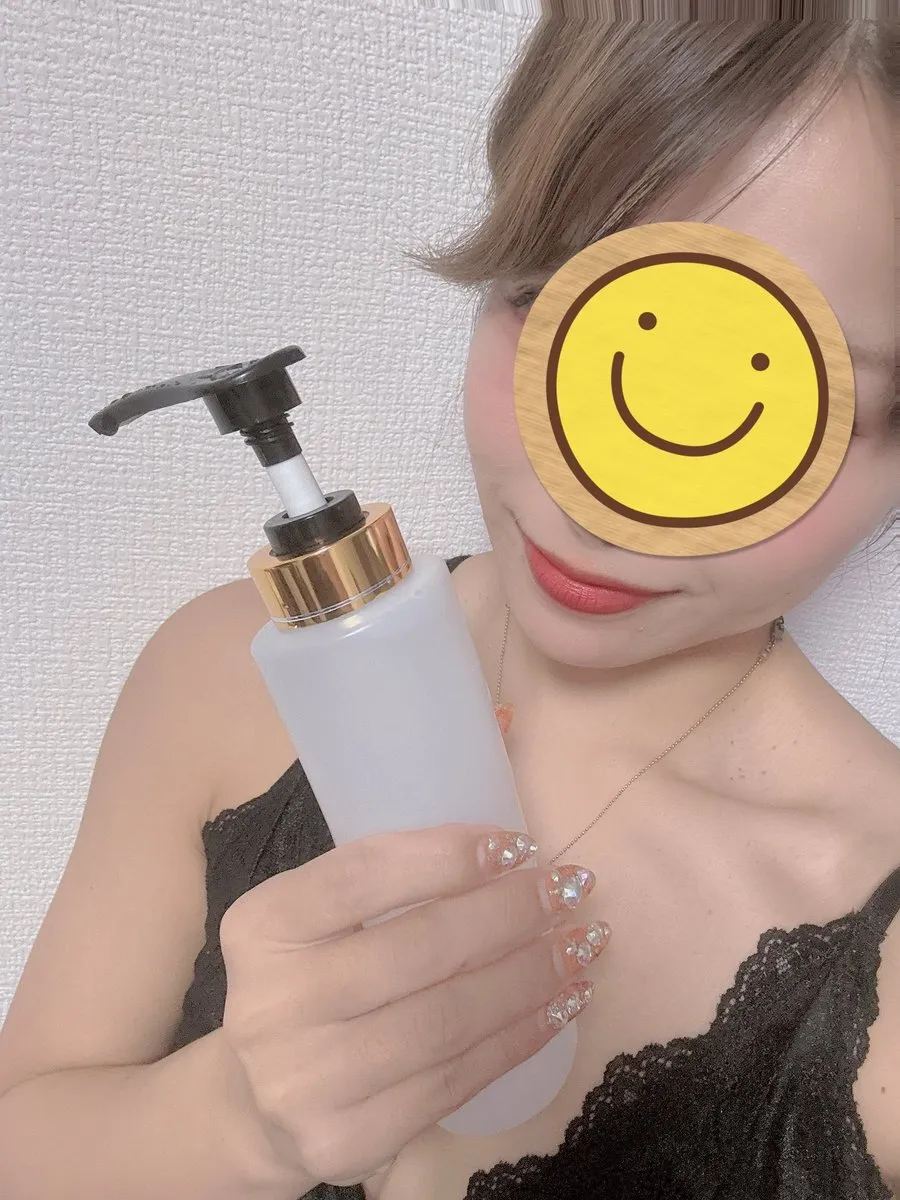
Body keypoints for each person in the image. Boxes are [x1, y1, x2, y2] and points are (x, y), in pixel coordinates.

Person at [0, 10, 897, 1200]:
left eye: (767, 401)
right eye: (556, 304)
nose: (594, 500)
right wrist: (231, 1125)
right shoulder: (224, 677)